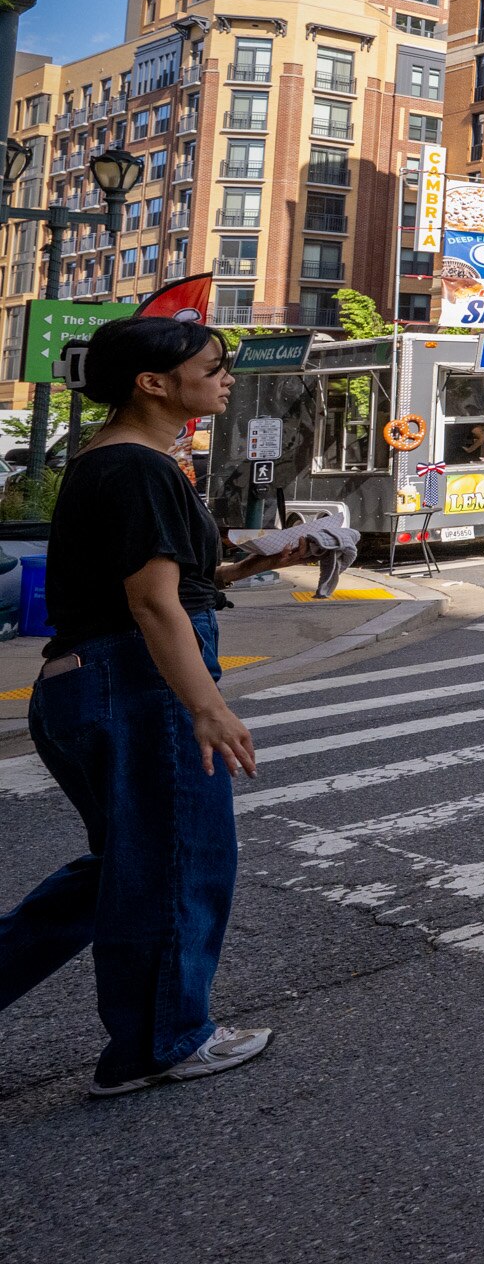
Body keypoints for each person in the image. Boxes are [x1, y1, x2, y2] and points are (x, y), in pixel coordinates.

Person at [0, 317, 281, 1096]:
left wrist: (261, 560)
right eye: (213, 365)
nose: (225, 377)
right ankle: (160, 1041)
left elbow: (175, 585)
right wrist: (206, 707)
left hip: (93, 680)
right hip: (136, 681)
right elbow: (153, 606)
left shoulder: (122, 463)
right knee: (177, 860)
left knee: (123, 868)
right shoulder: (137, 468)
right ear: (152, 384)